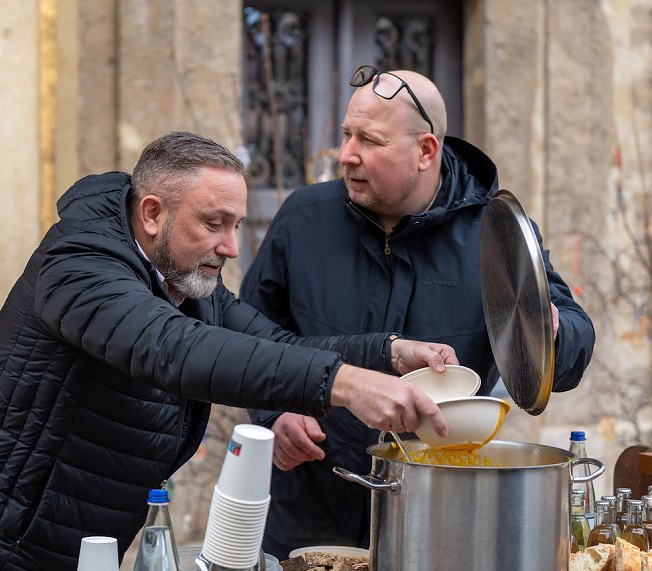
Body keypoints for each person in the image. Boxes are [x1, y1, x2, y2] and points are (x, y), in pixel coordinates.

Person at [0, 131, 460, 571]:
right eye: (213, 224)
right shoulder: (80, 266)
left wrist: (387, 354)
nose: (230, 247)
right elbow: (173, 349)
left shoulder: (183, 279)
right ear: (152, 214)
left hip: (65, 544)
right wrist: (346, 386)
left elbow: (270, 343)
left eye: (237, 226)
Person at [240, 65, 597, 559]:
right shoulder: (302, 217)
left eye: (370, 140)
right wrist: (274, 412)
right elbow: (247, 334)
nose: (347, 155)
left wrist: (549, 331)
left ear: (425, 150)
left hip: (443, 519)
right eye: (346, 134)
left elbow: (571, 351)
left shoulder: (494, 235)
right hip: (308, 512)